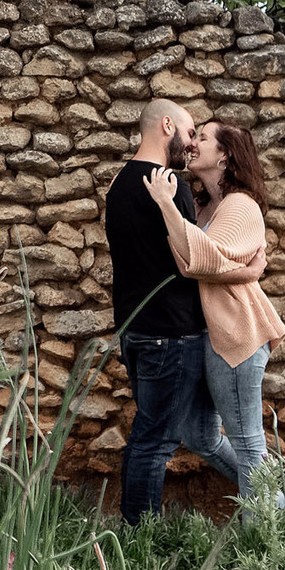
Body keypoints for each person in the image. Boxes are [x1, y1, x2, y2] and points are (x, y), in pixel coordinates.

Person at [146, 120, 285, 504]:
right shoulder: (203, 206)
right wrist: (247, 271)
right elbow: (193, 260)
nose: (192, 144)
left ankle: (266, 538)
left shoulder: (240, 206)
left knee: (246, 438)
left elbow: (198, 260)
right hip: (210, 336)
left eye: (203, 138)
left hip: (237, 333)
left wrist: (164, 204)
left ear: (224, 155)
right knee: (200, 436)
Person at [102, 97, 211, 522]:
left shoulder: (118, 186)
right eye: (188, 131)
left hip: (134, 331)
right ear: (166, 125)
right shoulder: (169, 185)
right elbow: (190, 259)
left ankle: (134, 530)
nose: (190, 143)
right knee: (155, 441)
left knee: (147, 435)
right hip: (172, 332)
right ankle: (139, 537)